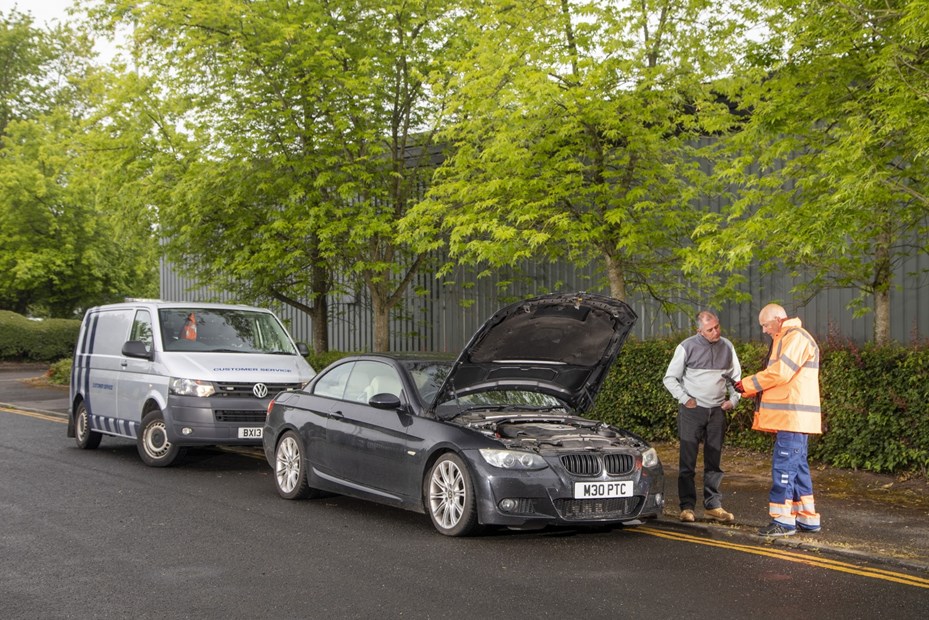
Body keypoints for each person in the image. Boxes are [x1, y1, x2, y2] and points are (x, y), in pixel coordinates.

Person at [733, 303, 822, 537]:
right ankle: (807, 517)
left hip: (791, 417)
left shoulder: (794, 338)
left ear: (778, 319)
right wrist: (749, 388)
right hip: (793, 418)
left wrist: (748, 384)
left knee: (784, 468)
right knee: (797, 467)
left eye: (765, 324)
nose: (764, 330)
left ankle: (783, 520)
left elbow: (781, 373)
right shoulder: (788, 338)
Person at [663, 311, 741, 523]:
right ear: (700, 331)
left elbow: (736, 381)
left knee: (714, 461)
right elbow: (670, 378)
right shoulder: (686, 347)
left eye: (717, 327)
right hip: (692, 410)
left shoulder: (727, 347)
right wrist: (684, 398)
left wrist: (733, 401)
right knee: (687, 461)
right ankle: (687, 507)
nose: (716, 332)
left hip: (717, 411)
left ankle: (713, 505)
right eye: (710, 329)